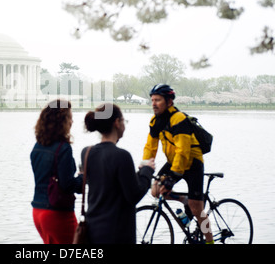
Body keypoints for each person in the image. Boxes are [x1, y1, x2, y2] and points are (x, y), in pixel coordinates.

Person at [142, 84, 214, 244]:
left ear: (169, 102)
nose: (153, 103)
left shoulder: (179, 119)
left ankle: (210, 241)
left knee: (198, 210)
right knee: (155, 190)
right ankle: (184, 200)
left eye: (158, 100)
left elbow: (183, 150)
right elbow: (150, 147)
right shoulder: (155, 121)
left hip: (192, 161)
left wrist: (173, 176)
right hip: (173, 161)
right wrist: (145, 167)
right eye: (152, 100)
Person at [82, 103, 155, 244]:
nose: (124, 125)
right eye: (123, 121)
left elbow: (108, 182)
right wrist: (147, 171)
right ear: (117, 122)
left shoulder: (87, 152)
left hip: (93, 230)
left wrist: (137, 173)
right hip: (117, 233)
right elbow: (134, 195)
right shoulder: (122, 156)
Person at [30, 99, 83, 244]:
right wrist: (83, 178)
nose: (72, 122)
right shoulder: (63, 148)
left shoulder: (37, 147)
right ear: (62, 121)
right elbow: (68, 185)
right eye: (70, 117)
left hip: (38, 211)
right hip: (57, 214)